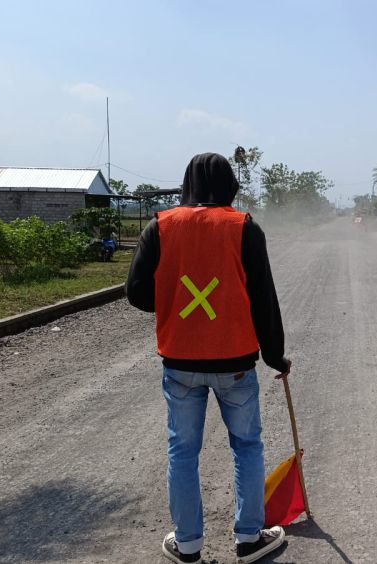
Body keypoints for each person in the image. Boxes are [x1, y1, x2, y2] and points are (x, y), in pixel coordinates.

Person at [126, 152, 291, 564]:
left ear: (188, 184)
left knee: (182, 452)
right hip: (235, 363)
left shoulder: (160, 226)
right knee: (247, 447)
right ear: (231, 184)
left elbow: (136, 291)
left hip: (180, 364)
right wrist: (275, 357)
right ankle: (250, 538)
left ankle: (187, 545)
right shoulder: (244, 228)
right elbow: (263, 300)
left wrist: (171, 302)